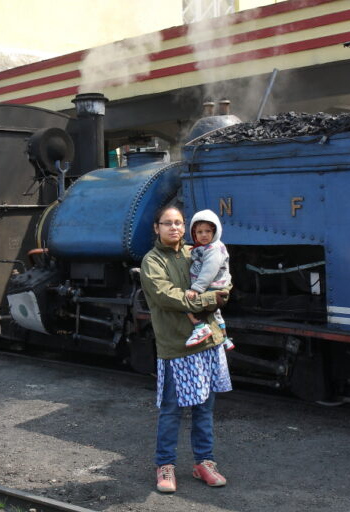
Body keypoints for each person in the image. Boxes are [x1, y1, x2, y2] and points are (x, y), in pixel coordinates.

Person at [139, 205, 232, 494]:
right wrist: (207, 300)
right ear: (157, 228)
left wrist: (217, 294)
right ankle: (164, 465)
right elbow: (167, 297)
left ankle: (204, 462)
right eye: (167, 223)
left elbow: (225, 286)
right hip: (176, 346)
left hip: (207, 342)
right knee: (171, 410)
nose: (174, 228)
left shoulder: (198, 250)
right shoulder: (151, 261)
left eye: (179, 222)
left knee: (205, 409)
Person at [184, 209, 235, 351]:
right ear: (194, 233)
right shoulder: (204, 248)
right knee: (216, 314)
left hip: (210, 286)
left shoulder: (214, 249)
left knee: (185, 304)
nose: (204, 235)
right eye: (199, 232)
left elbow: (209, 271)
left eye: (207, 231)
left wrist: (196, 289)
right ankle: (225, 339)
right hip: (211, 286)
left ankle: (200, 327)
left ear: (215, 231)